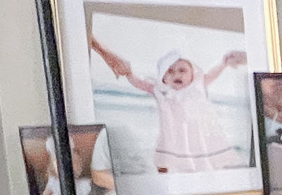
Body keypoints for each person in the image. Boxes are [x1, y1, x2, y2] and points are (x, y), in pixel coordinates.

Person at [89, 39, 247, 172]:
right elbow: (141, 84)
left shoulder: (198, 86)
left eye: (182, 70)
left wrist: (224, 64)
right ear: (163, 77)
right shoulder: (161, 90)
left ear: (193, 73)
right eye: (170, 71)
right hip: (172, 134)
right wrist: (129, 74)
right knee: (165, 162)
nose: (176, 75)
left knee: (204, 159)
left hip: (197, 133)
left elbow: (212, 74)